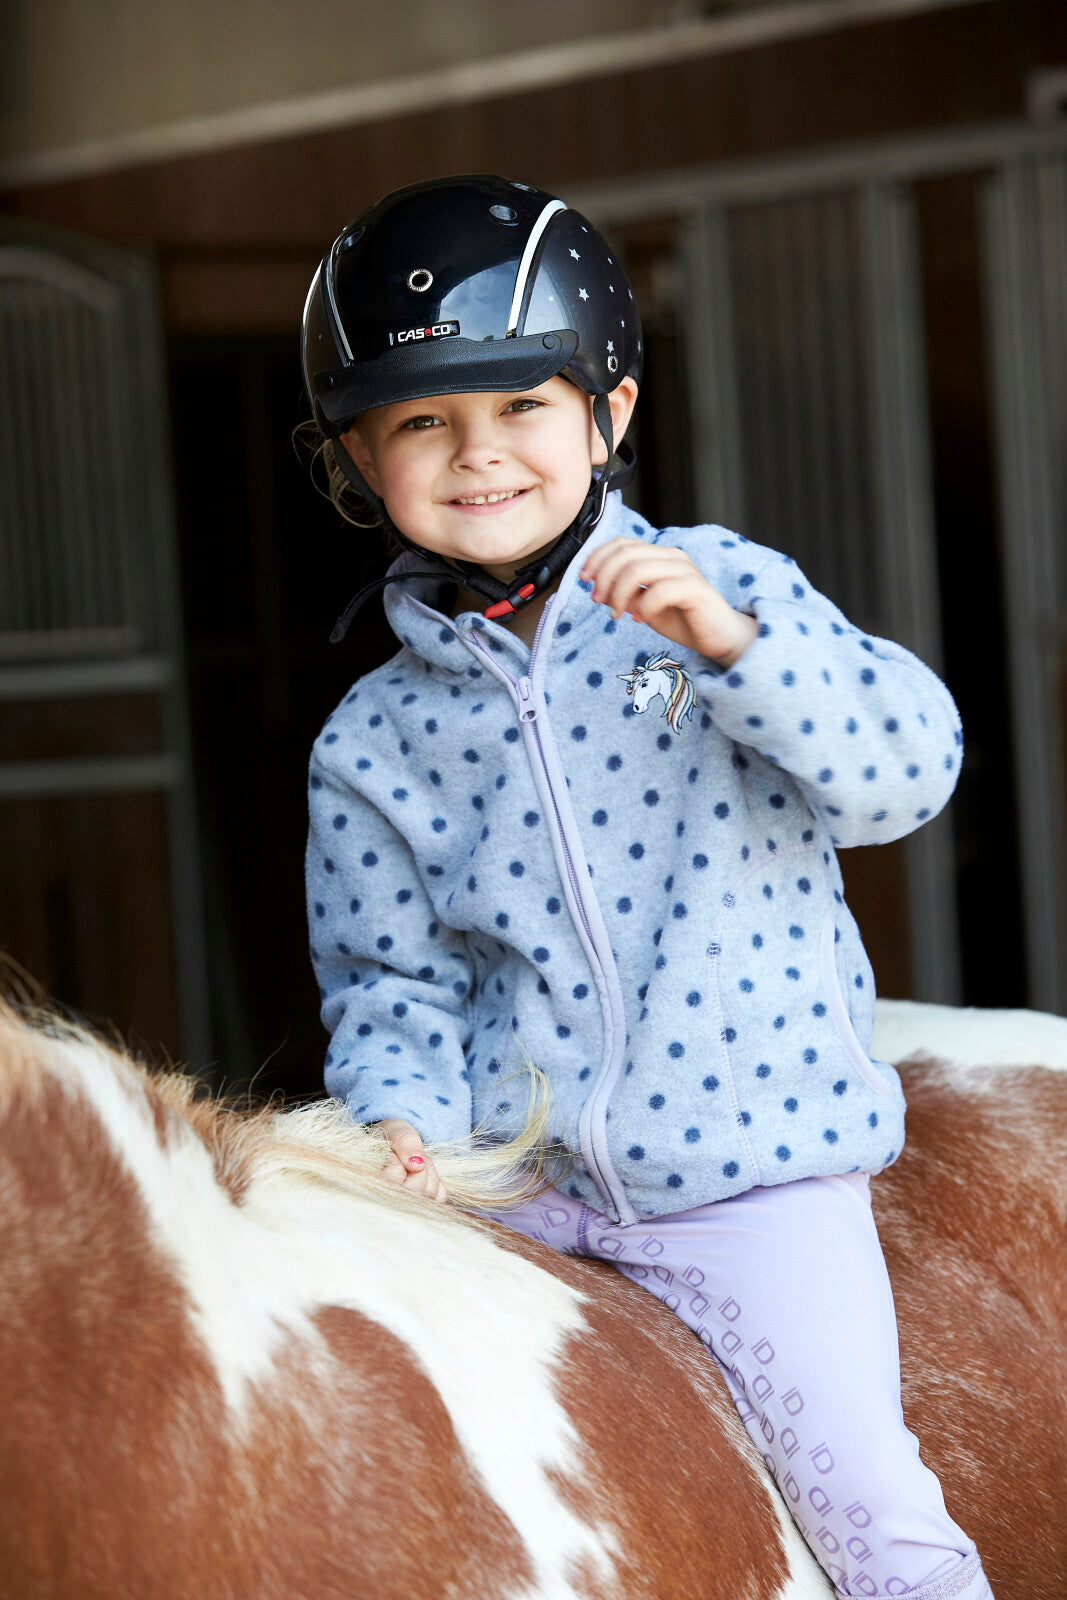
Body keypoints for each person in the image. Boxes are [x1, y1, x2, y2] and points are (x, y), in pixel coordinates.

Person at [301, 175, 993, 1600]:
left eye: (522, 408)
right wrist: (405, 1122)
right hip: (516, 1200)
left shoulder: (719, 589)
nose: (478, 455)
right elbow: (391, 982)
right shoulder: (370, 738)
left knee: (874, 1513)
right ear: (360, 460)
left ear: (611, 414)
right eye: (425, 422)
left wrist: (743, 652)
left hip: (754, 1189)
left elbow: (907, 774)